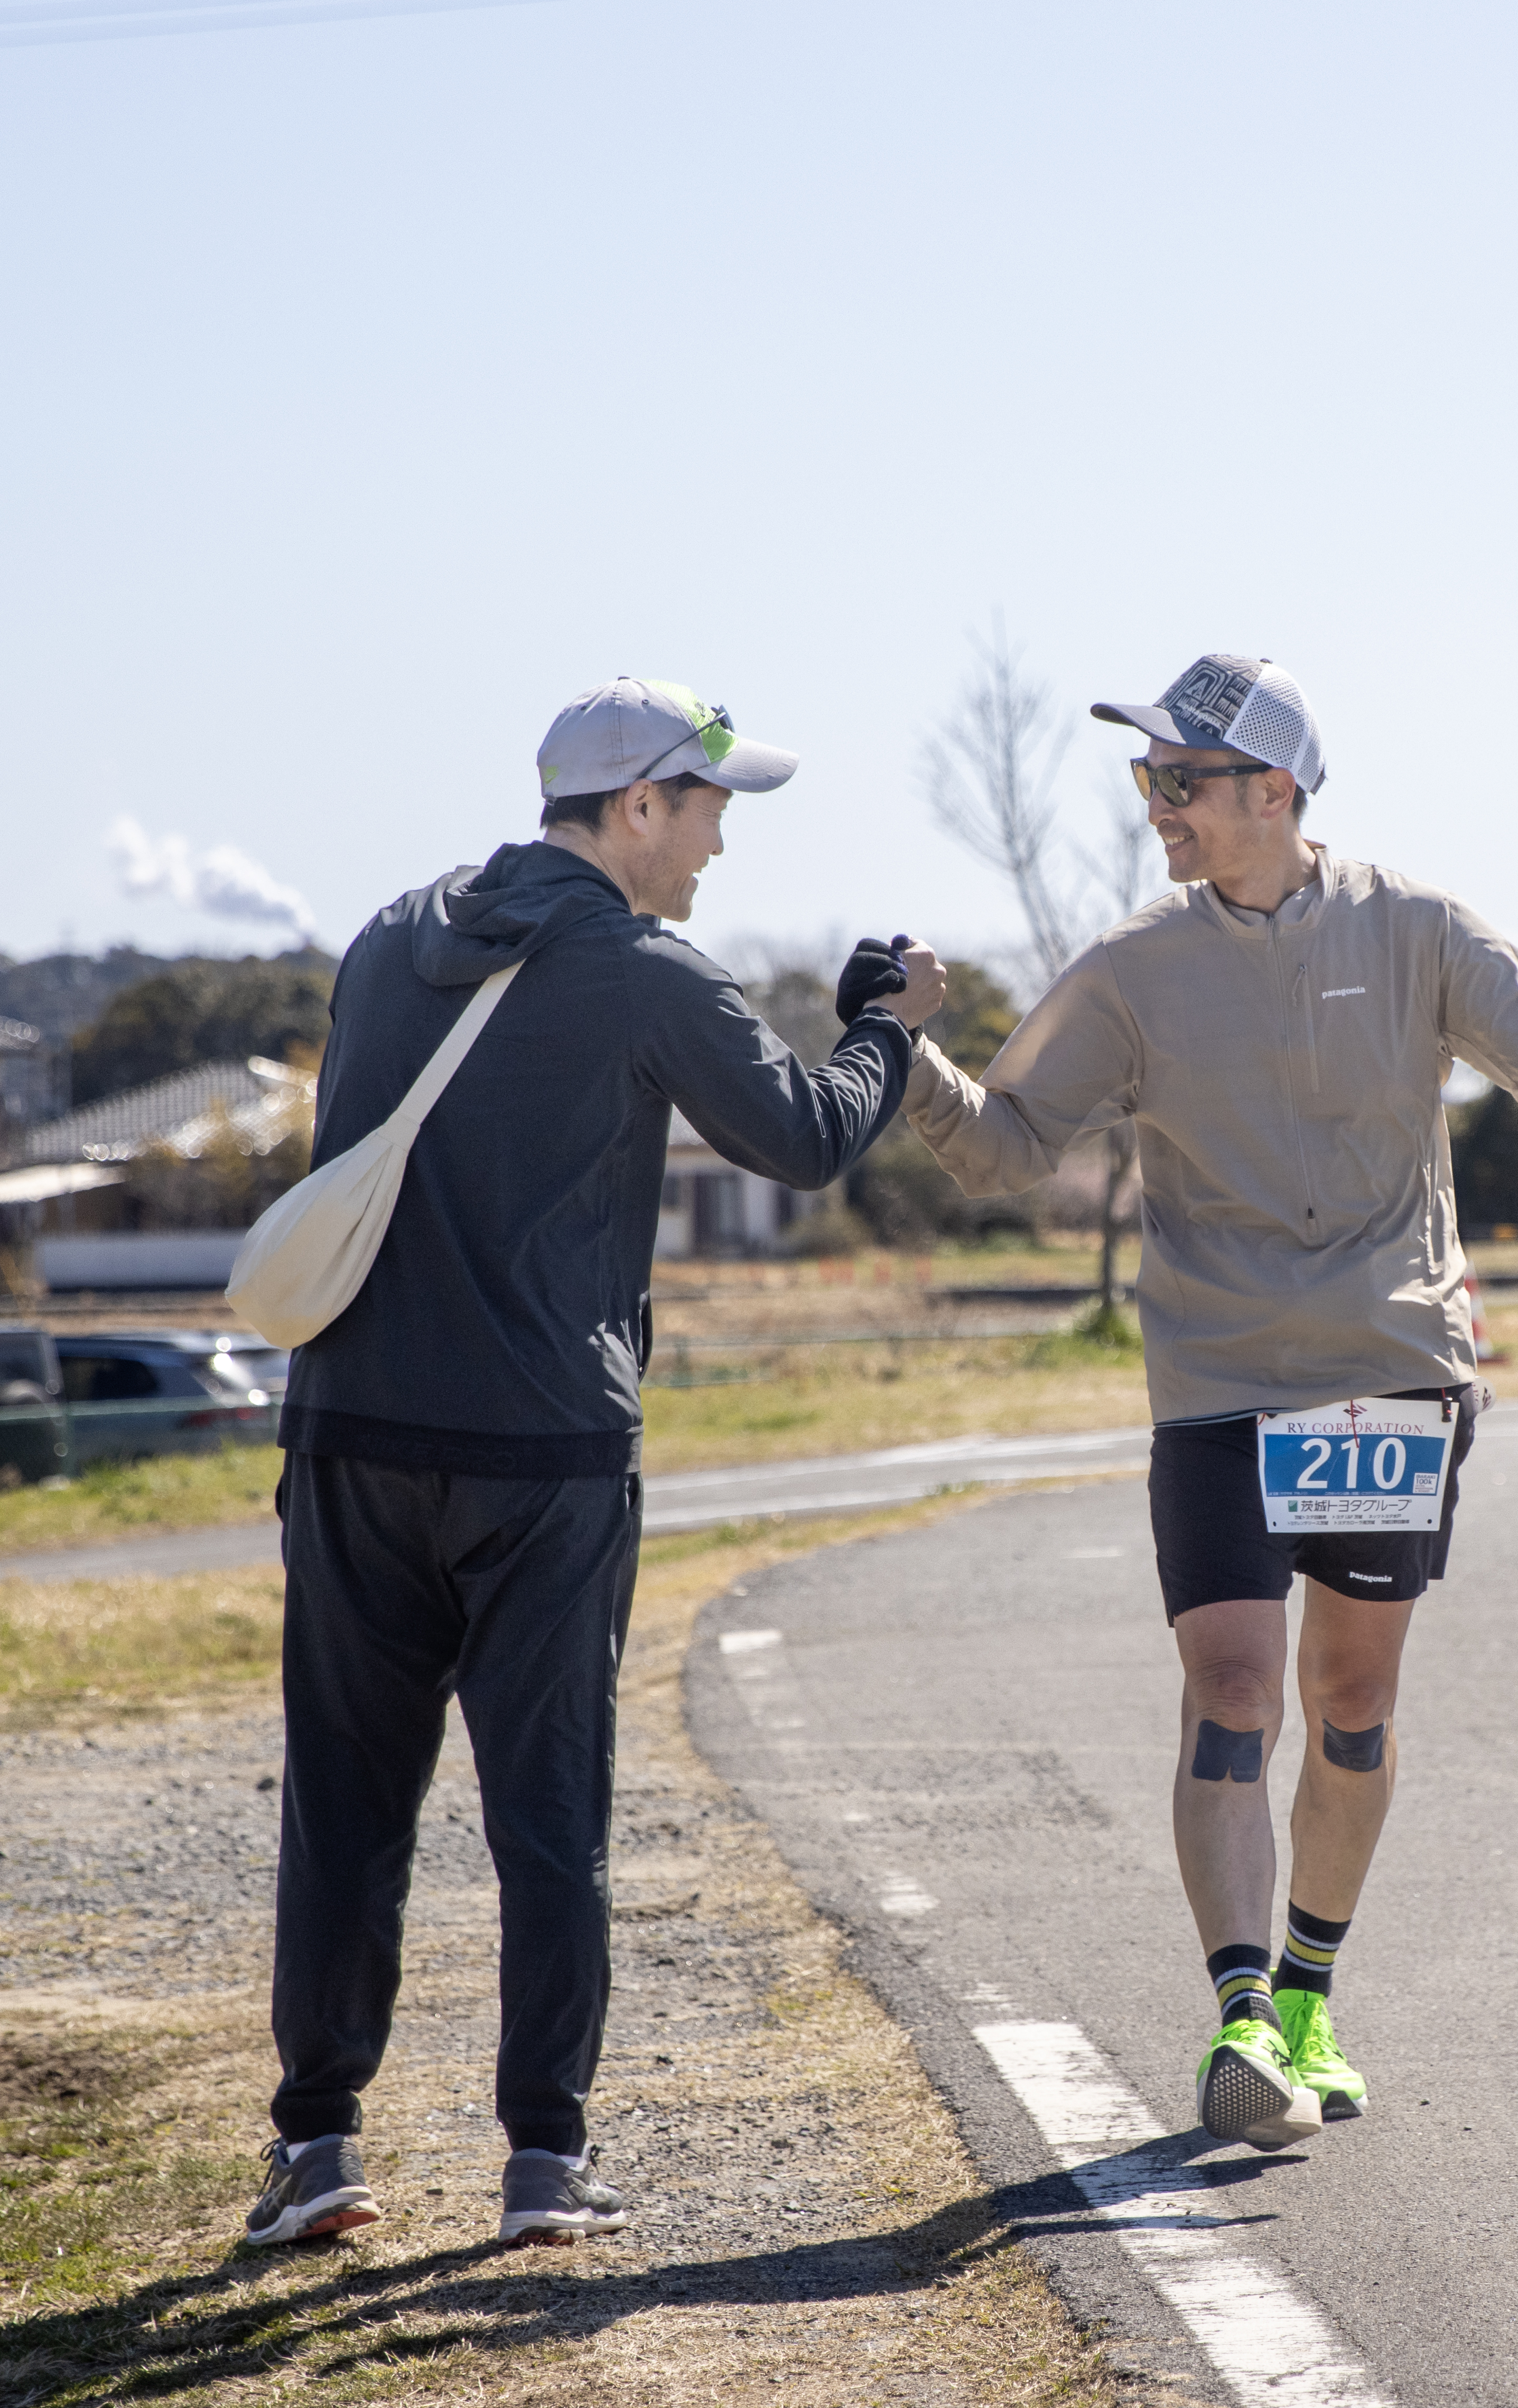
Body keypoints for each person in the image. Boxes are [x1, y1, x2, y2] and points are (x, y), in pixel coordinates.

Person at [896, 655, 1518, 2149]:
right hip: (1219, 1380)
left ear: (1277, 792)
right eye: (1146, 779)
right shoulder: (1132, 963)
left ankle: (1308, 1987)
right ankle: (1239, 2009)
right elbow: (1004, 1146)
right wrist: (899, 1048)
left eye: (1180, 779)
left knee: (1349, 1700)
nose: (1155, 805)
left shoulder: (1418, 925)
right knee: (1234, 1688)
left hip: (1382, 1374)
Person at [247, 677, 947, 2251]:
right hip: (543, 1455)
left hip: (350, 1430)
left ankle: (314, 2147)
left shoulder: (383, 939)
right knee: (547, 1817)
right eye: (707, 810)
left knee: (345, 1806)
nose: (715, 845)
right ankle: (543, 2161)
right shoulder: (644, 972)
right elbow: (804, 1137)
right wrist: (885, 1033)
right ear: (636, 807)